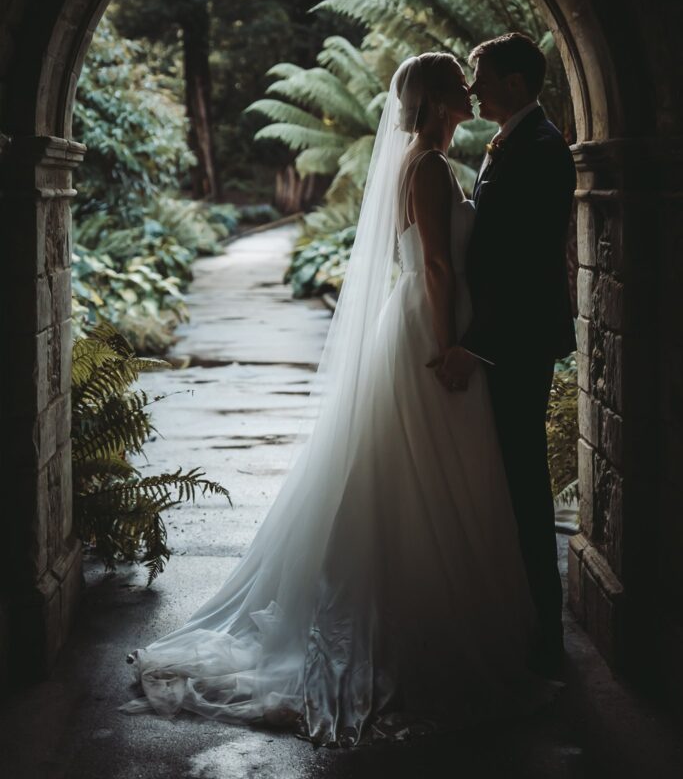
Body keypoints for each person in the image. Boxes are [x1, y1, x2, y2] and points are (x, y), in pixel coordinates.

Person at [119, 51, 558, 746]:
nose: (471, 94)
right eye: (460, 86)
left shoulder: (419, 164)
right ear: (440, 100)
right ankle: (427, 622)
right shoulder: (429, 168)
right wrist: (449, 345)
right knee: (428, 474)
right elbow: (439, 266)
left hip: (417, 316)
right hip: (431, 325)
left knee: (415, 472)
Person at [429, 33, 577, 676]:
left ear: (515, 82)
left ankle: (546, 631)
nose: (474, 87)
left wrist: (475, 346)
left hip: (514, 343)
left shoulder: (541, 149)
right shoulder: (513, 142)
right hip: (502, 338)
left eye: (482, 76)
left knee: (522, 480)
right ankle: (521, 613)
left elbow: (525, 265)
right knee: (508, 478)